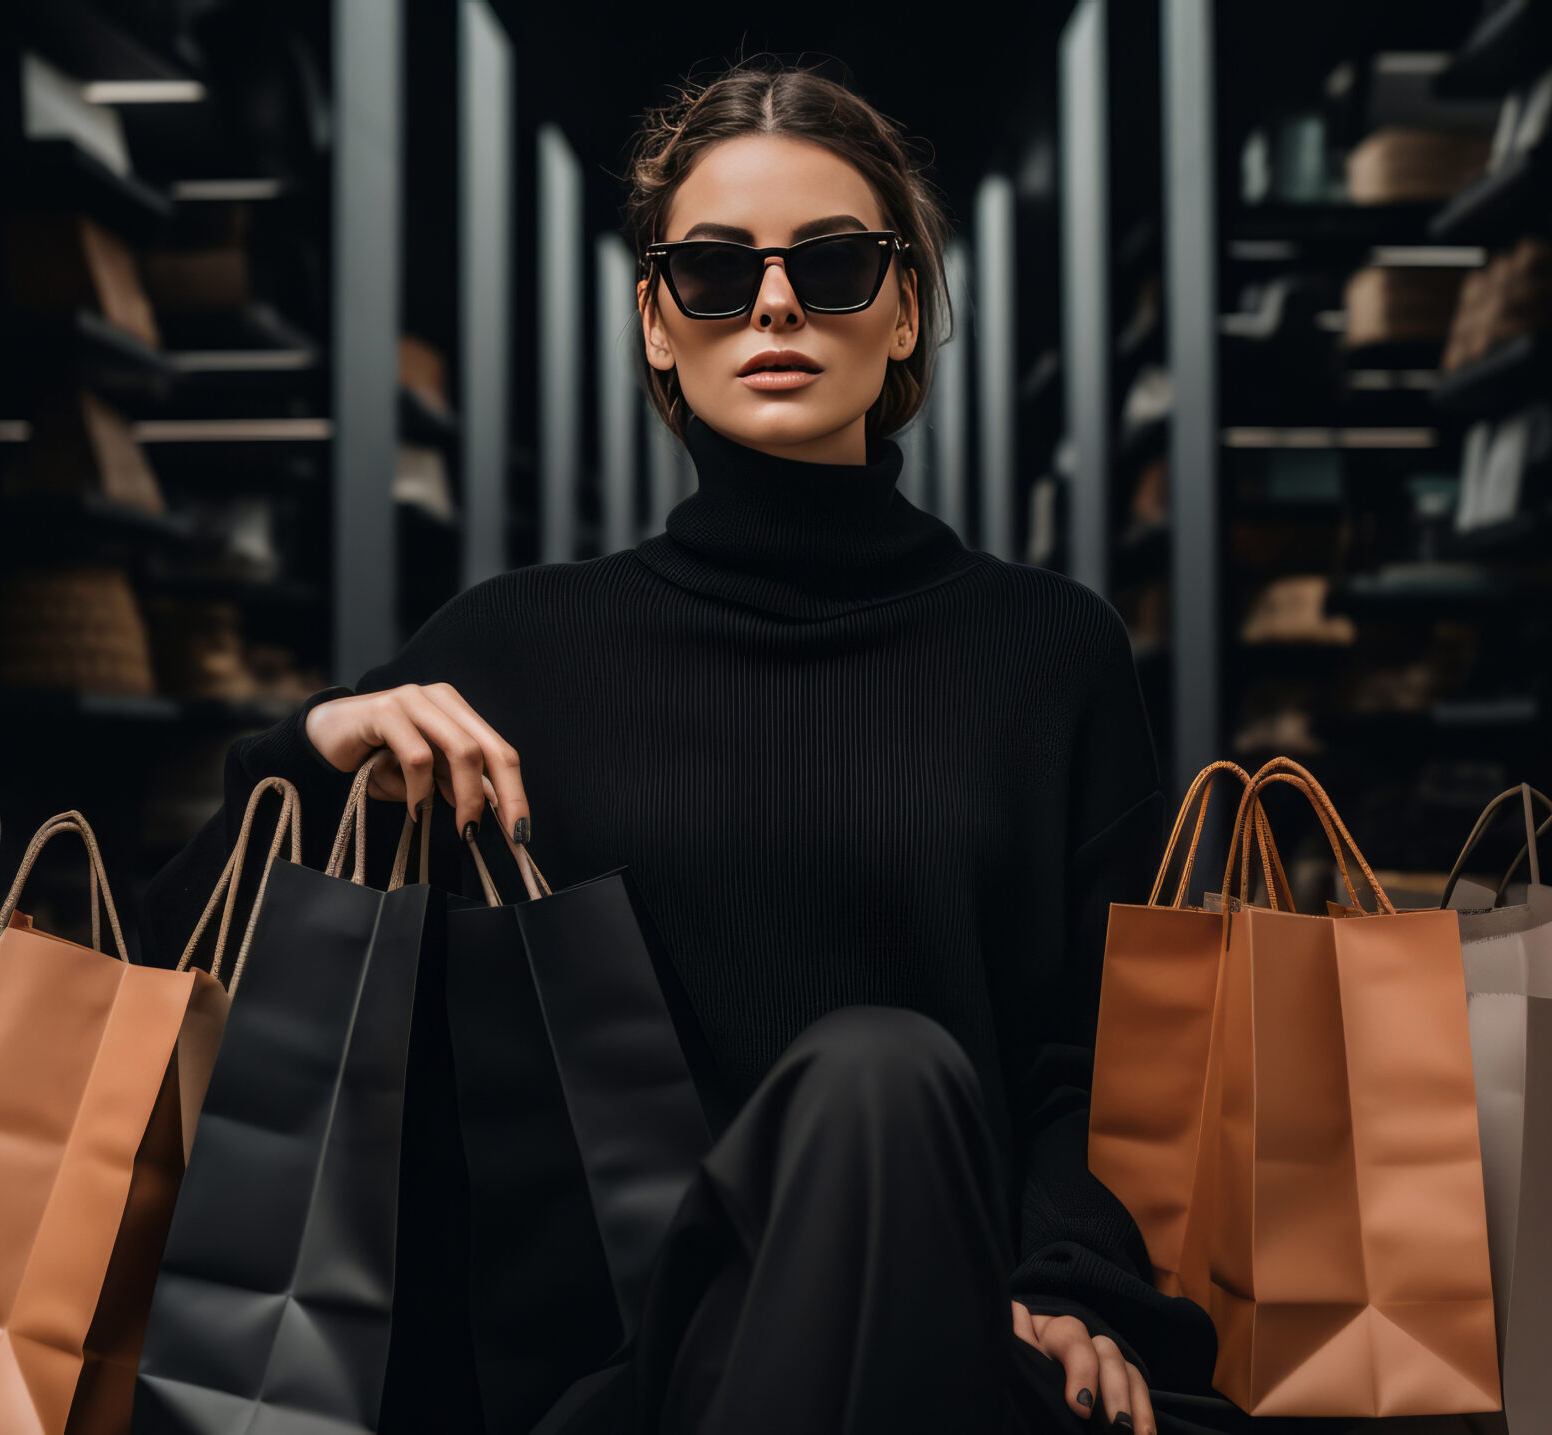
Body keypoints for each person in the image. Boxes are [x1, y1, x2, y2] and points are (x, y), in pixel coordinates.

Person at [149, 58, 1257, 1435]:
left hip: (964, 1315)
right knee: (877, 1071)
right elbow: (173, 962)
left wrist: (1075, 1282)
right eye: (715, 275)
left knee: (884, 1081)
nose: (776, 304)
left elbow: (1088, 1059)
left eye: (835, 264)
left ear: (905, 309)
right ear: (658, 326)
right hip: (635, 1347)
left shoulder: (1051, 652)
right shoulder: (519, 646)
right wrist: (322, 745)